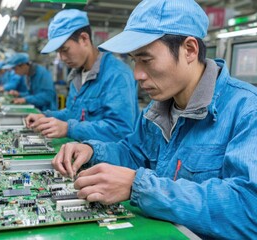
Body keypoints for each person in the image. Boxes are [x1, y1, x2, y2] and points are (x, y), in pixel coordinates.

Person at [51, 0, 257, 239]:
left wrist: (138, 186)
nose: (137, 74)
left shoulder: (246, 110)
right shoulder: (157, 108)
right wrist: (91, 151)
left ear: (189, 50)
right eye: (134, 60)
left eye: (146, 60)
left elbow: (248, 209)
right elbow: (134, 153)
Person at [26, 9, 139, 142]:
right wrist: (46, 116)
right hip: (80, 154)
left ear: (84, 39)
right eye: (58, 52)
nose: (62, 57)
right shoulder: (77, 76)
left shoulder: (117, 74)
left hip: (107, 161)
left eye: (65, 50)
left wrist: (69, 129)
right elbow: (73, 113)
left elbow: (120, 129)